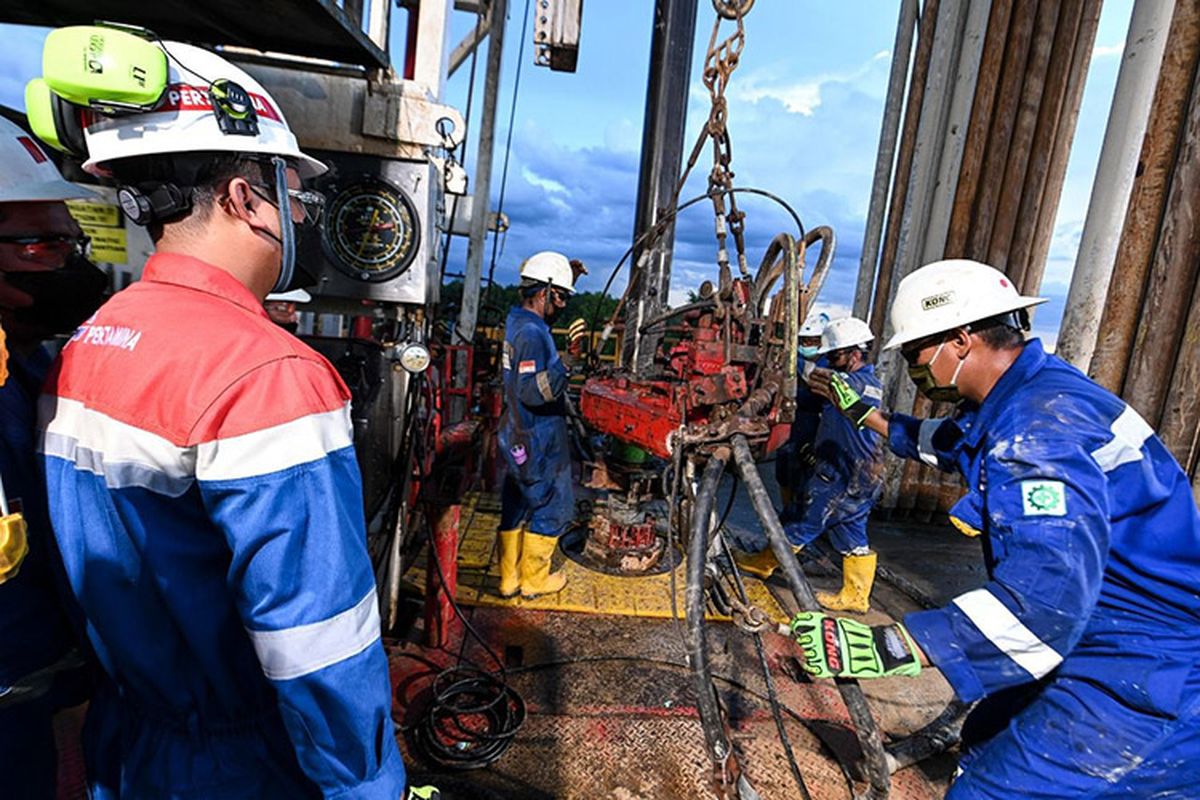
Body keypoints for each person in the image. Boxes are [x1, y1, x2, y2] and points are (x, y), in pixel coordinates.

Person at [32, 29, 413, 799]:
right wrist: (368, 786)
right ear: (245, 198)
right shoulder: (268, 376)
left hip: (127, 742)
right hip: (240, 766)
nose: (300, 216)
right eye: (293, 194)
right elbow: (316, 642)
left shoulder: (86, 344)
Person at [790, 259, 1200, 797]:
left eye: (915, 354)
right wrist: (866, 415)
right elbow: (947, 443)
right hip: (1097, 631)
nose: (914, 369)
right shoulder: (1030, 394)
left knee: (989, 790)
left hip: (1144, 673)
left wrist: (889, 646)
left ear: (960, 340)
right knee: (984, 735)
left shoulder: (1040, 434)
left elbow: (1042, 606)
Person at [0, 114, 103, 800]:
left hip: (33, 713)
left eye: (73, 241)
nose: (71, 264)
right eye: (44, 244)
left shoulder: (33, 371)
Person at [737, 317, 885, 616]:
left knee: (802, 519)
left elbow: (818, 382)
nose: (829, 360)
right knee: (851, 530)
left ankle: (764, 563)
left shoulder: (853, 384)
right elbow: (809, 400)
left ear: (855, 353)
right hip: (864, 472)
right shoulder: (865, 383)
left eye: (835, 355)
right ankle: (856, 596)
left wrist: (785, 363)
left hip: (842, 472)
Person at [496, 251, 577, 599]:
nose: (563, 306)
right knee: (553, 505)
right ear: (544, 292)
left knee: (517, 500)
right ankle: (534, 580)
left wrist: (569, 276)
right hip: (537, 435)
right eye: (560, 298)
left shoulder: (518, 322)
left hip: (515, 433)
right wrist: (565, 365)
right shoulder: (531, 334)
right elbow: (533, 391)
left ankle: (508, 579)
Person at [774, 311, 830, 515]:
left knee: (806, 475)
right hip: (791, 425)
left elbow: (820, 396)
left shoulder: (828, 364)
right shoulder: (794, 359)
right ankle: (787, 512)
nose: (807, 345)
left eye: (813, 341)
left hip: (814, 426)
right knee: (784, 471)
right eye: (804, 341)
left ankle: (802, 515)